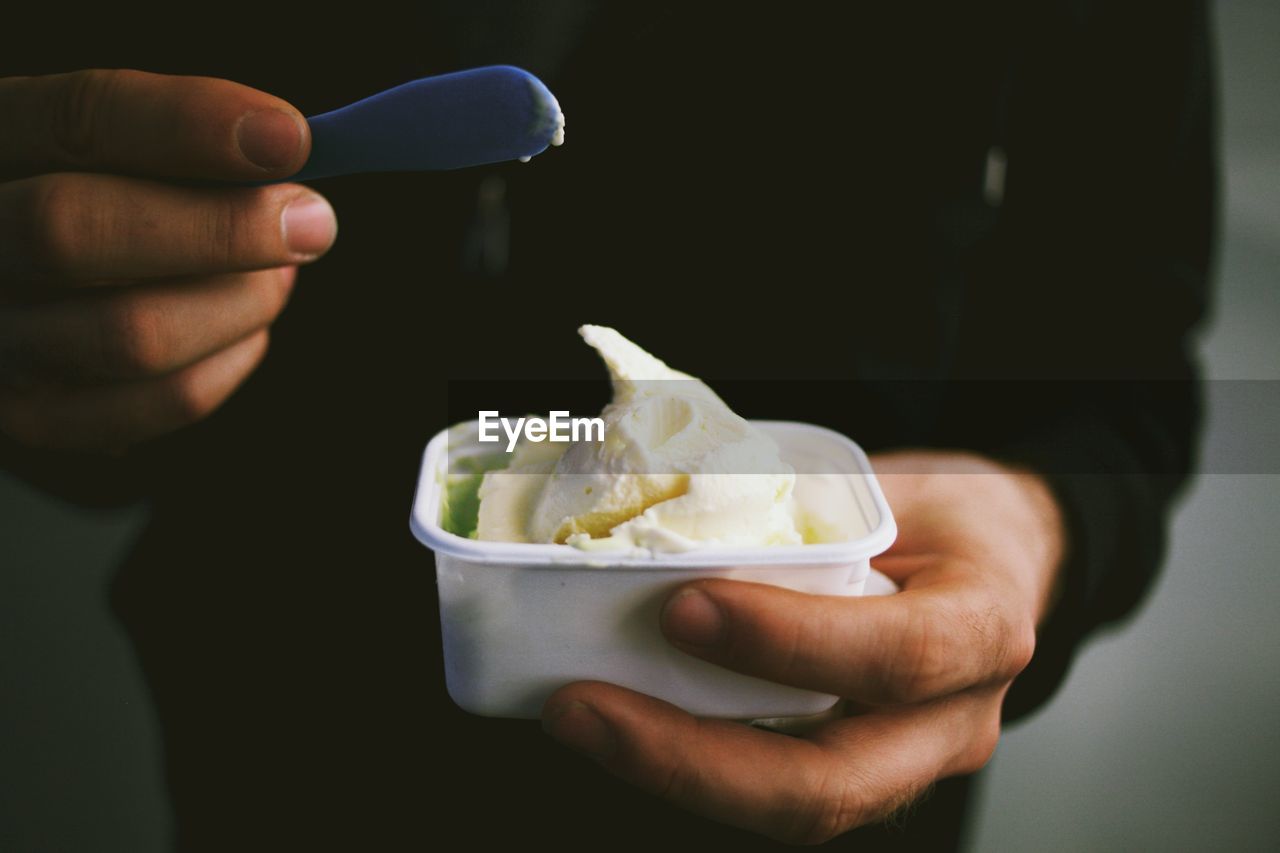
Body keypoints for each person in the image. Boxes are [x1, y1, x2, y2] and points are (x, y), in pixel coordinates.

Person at [0, 2, 1213, 849]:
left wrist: (1042, 518)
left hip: (816, 797)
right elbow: (68, 314)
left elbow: (1137, 372)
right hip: (290, 747)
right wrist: (55, 361)